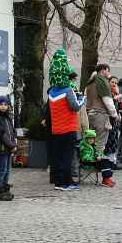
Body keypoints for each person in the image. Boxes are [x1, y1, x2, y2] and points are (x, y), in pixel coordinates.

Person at [45, 49, 82, 192]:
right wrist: (82, 99)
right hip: (68, 128)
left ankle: (58, 182)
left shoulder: (52, 92)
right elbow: (75, 106)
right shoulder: (68, 90)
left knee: (58, 157)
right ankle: (66, 183)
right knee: (68, 157)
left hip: (56, 129)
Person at [85, 64, 119, 185]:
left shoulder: (89, 83)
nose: (108, 73)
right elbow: (107, 100)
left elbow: (85, 99)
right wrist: (114, 114)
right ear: (103, 70)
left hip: (89, 115)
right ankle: (106, 178)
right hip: (100, 115)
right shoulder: (102, 82)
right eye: (108, 70)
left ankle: (92, 171)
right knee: (100, 148)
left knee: (91, 145)